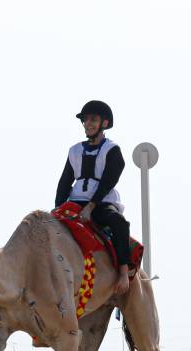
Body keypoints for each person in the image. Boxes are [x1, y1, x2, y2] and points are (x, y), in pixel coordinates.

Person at [55, 100, 132, 295]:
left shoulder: (112, 150)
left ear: (104, 123)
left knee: (119, 223)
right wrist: (57, 209)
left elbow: (108, 181)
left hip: (102, 201)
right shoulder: (74, 150)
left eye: (93, 119)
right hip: (75, 200)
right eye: (86, 119)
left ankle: (123, 273)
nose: (88, 123)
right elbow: (65, 181)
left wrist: (91, 206)